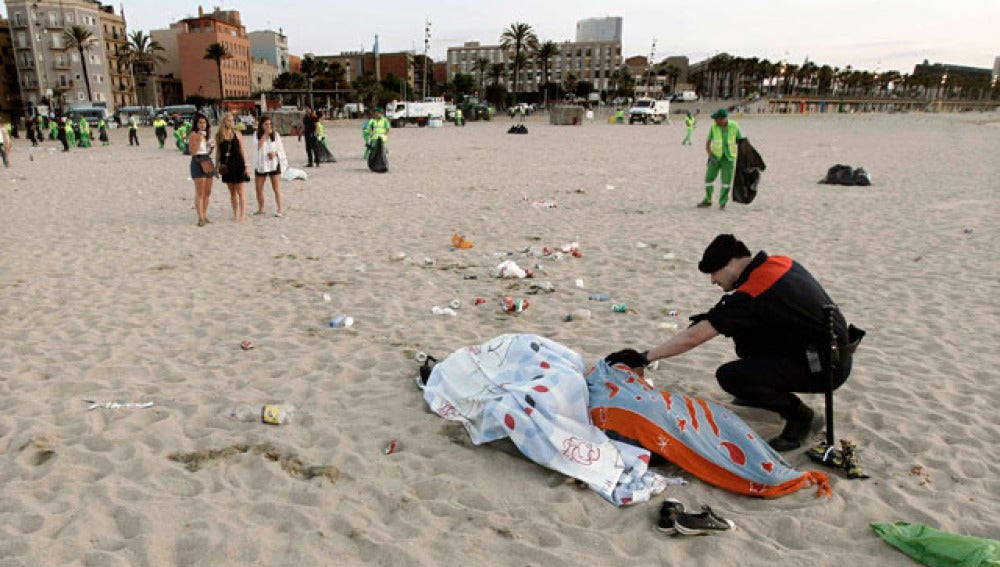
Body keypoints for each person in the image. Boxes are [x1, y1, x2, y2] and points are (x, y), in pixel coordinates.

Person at [624, 234, 862, 452]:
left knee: (730, 376)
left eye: (714, 274)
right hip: (831, 354)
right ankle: (760, 391)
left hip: (825, 368)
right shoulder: (778, 263)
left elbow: (693, 338)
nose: (712, 281)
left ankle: (801, 417)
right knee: (744, 336)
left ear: (729, 264)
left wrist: (644, 357)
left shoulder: (755, 290)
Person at [698, 108, 741, 210]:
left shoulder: (734, 126)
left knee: (726, 182)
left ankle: (723, 202)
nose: (715, 121)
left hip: (729, 158)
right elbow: (708, 143)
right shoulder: (713, 127)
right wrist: (710, 155)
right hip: (715, 158)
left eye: (716, 119)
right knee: (708, 179)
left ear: (723, 119)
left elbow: (740, 140)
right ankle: (708, 200)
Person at [215, 113, 251, 222]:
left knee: (240, 191)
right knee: (232, 192)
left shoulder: (237, 134)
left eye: (232, 120)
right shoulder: (219, 135)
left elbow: (242, 150)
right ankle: (235, 213)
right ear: (224, 122)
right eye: (229, 120)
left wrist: (246, 165)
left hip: (238, 163)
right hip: (226, 165)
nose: (231, 123)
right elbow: (218, 151)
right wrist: (216, 165)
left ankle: (243, 214)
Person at [253, 115, 287, 217]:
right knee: (259, 188)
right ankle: (261, 208)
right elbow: (257, 146)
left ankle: (280, 209)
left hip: (273, 163)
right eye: (266, 124)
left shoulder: (275, 135)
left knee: (276, 188)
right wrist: (265, 135)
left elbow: (280, 149)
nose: (268, 126)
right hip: (261, 163)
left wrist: (275, 154)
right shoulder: (256, 134)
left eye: (270, 124)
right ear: (261, 125)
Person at [187, 113, 215, 226]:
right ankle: (200, 217)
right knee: (200, 192)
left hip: (206, 159)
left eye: (204, 122)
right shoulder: (193, 134)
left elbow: (206, 151)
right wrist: (199, 138)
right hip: (197, 160)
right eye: (200, 122)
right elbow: (192, 152)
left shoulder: (206, 135)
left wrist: (211, 147)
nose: (202, 125)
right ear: (196, 124)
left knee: (207, 192)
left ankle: (204, 214)